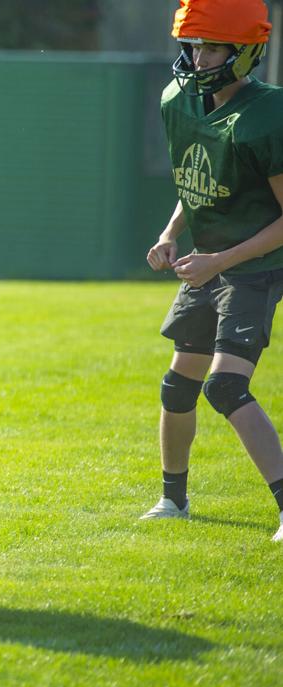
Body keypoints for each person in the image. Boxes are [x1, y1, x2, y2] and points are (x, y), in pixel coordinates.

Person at [143, 0, 283, 542]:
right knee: (178, 386)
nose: (199, 59)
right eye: (194, 45)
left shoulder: (265, 116)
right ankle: (172, 500)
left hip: (255, 265)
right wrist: (170, 234)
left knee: (225, 386)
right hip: (209, 264)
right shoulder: (179, 100)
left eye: (212, 47)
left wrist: (218, 261)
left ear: (245, 53)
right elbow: (194, 178)